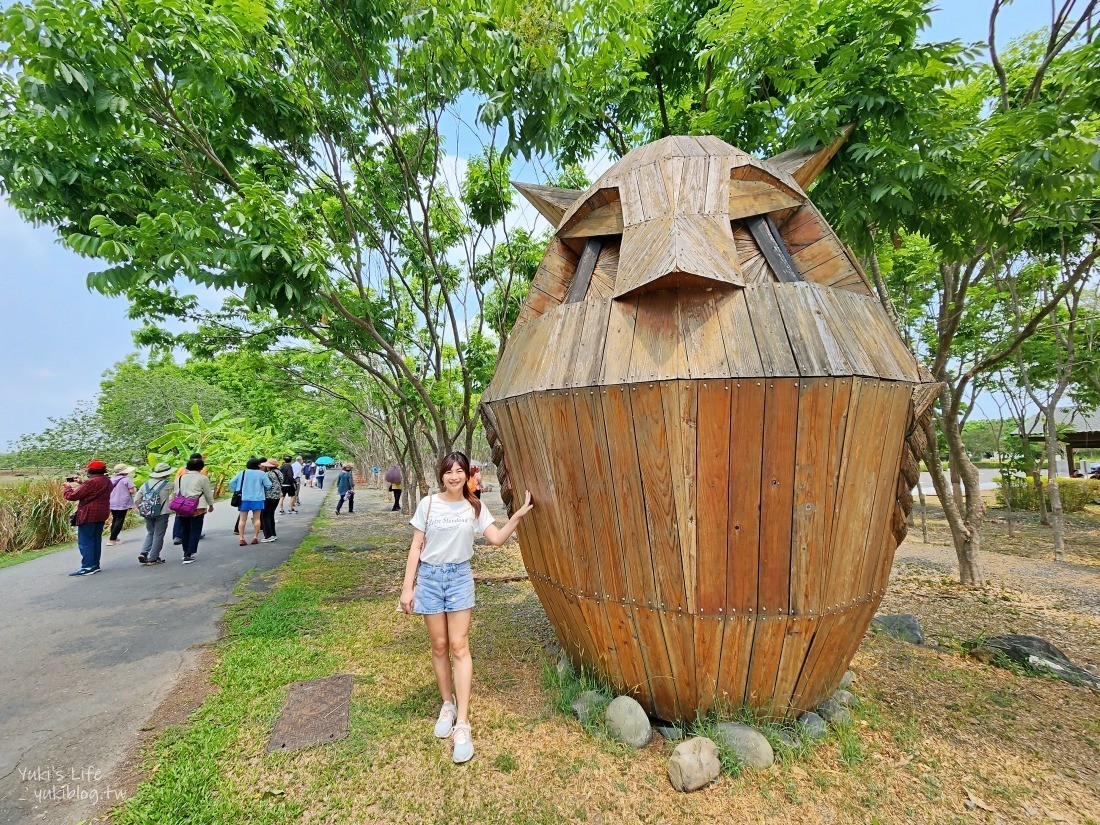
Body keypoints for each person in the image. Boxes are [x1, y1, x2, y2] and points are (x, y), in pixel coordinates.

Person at [399, 452, 534, 764]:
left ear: (466, 475)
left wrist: (516, 516)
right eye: (449, 472)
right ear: (441, 475)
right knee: (439, 645)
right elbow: (416, 547)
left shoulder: (474, 507)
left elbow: (497, 539)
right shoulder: (428, 504)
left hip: (459, 578)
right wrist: (409, 587)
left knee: (459, 646)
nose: (454, 477)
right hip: (430, 579)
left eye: (459, 471)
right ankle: (447, 703)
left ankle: (462, 722)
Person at [63, 460, 113, 576]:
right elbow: (94, 491)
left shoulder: (90, 483)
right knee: (96, 539)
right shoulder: (107, 481)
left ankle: (87, 566)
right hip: (102, 513)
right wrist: (81, 483)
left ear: (90, 471)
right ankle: (95, 564)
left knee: (85, 541)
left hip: (88, 514)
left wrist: (67, 487)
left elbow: (72, 496)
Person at [174, 456, 214, 564]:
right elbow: (207, 493)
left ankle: (185, 552)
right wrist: (211, 505)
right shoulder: (203, 478)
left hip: (182, 506)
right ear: (201, 468)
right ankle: (190, 553)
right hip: (198, 506)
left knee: (185, 529)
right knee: (195, 529)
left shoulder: (180, 478)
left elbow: (176, 492)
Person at [135, 462, 174, 565]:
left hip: (147, 513)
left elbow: (137, 499)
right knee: (158, 535)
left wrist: (143, 508)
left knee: (151, 532)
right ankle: (153, 558)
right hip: (162, 513)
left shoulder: (145, 484)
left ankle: (143, 553)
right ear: (167, 473)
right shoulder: (168, 484)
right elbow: (177, 493)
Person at [229, 457, 272, 545]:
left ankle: (241, 538)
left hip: (244, 498)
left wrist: (237, 490)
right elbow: (268, 485)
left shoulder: (242, 473)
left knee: (242, 519)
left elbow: (231, 482)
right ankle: (255, 537)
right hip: (258, 499)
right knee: (256, 519)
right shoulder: (261, 474)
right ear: (258, 465)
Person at [172, 454, 207, 545]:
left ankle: (177, 535)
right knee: (195, 517)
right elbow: (203, 485)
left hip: (181, 497)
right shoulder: (202, 470)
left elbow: (175, 482)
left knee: (180, 516)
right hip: (194, 498)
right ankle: (194, 535)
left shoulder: (181, 469)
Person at [107, 463, 137, 545]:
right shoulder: (126, 480)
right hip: (122, 502)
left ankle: (114, 537)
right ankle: (112, 539)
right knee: (120, 519)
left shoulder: (111, 479)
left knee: (115, 519)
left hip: (112, 502)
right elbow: (132, 491)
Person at [260, 459, 283, 542]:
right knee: (271, 515)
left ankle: (268, 535)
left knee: (265, 516)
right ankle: (273, 534)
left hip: (268, 497)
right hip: (276, 497)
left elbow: (266, 485)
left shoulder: (267, 474)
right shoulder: (279, 472)